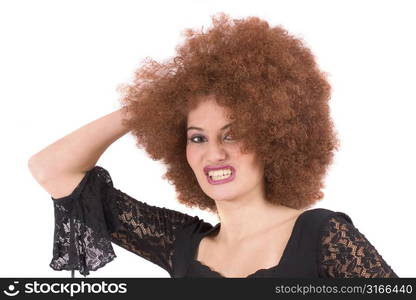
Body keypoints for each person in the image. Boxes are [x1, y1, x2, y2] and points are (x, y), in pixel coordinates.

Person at [28, 13, 397, 278]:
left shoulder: (322, 235)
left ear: (273, 137)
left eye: (232, 134)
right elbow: (51, 169)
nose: (214, 153)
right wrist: (148, 106)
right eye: (197, 137)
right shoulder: (180, 243)